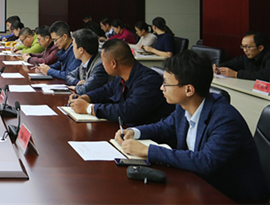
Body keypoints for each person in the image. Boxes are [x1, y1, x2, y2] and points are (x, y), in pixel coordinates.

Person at [114, 50, 269, 203]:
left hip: (232, 197)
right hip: (199, 184)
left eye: (166, 84)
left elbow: (205, 161)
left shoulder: (225, 120)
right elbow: (164, 127)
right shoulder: (184, 106)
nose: (161, 88)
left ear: (188, 89)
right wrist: (134, 132)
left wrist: (147, 151)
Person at [70, 39, 174, 125]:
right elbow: (106, 90)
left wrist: (89, 108)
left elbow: (128, 112)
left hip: (149, 136)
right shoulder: (122, 76)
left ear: (113, 63)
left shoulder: (149, 81)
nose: (102, 64)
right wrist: (86, 97)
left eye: (103, 62)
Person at [65, 29, 109, 95]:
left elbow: (85, 89)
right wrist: (77, 82)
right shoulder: (84, 62)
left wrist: (77, 87)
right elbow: (69, 75)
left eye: (73, 46)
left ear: (81, 50)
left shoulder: (100, 65)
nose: (72, 49)